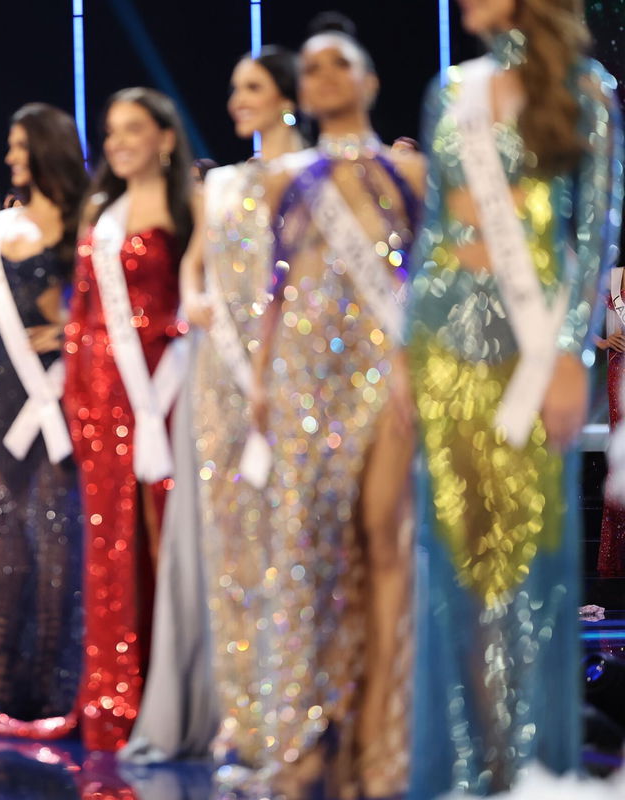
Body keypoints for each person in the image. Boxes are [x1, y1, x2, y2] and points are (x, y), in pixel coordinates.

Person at [409, 0, 622, 796]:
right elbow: (433, 231)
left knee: (532, 561)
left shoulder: (585, 90)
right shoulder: (449, 91)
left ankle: (527, 763)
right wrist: (406, 351)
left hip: (529, 344)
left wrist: (569, 354)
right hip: (442, 342)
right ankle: (458, 765)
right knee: (452, 556)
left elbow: (595, 235)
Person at [231, 19, 425, 797]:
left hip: (386, 377)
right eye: (309, 68)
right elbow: (277, 290)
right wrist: (263, 382)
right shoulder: (290, 180)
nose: (323, 77)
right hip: (307, 381)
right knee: (310, 557)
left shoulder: (408, 175)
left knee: (385, 546)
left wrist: (414, 372)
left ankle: (387, 733)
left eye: (339, 63)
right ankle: (315, 727)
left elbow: (425, 286)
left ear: (370, 80)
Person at [123, 47, 307, 766]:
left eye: (252, 88)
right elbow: (195, 264)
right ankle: (237, 705)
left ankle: (292, 699)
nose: (235, 100)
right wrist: (197, 298)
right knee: (228, 540)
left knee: (288, 539)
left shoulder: (316, 176)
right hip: (222, 381)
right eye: (233, 88)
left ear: (287, 97)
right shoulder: (222, 184)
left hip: (294, 374)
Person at [0, 104, 87, 738]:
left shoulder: (91, 218)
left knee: (58, 533)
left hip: (63, 389)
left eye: (21, 147)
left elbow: (100, 304)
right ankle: (0, 685)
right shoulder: (5, 225)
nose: (10, 158)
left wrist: (67, 333)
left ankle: (55, 687)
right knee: (3, 535)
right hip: (3, 396)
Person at [63, 87, 192, 752]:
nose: (117, 142)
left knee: (167, 537)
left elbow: (203, 297)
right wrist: (77, 405)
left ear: (166, 137)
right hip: (102, 403)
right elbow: (82, 316)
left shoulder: (188, 204)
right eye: (110, 131)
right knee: (110, 546)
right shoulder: (101, 213)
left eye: (133, 129)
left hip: (167, 394)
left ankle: (171, 695)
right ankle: (115, 688)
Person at [598, 263, 625, 577]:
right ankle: (615, 566)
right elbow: (573, 314)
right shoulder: (613, 277)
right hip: (620, 371)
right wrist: (602, 341)